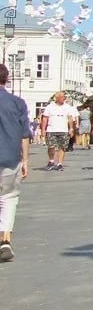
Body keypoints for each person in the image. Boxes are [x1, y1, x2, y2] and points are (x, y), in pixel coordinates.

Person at [0, 65, 31, 263]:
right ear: (7, 79)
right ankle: (5, 239)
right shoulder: (18, 103)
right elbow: (24, 134)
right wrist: (26, 160)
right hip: (9, 158)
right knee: (8, 198)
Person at [41, 91, 78, 172]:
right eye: (62, 97)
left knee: (62, 147)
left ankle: (60, 163)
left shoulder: (67, 107)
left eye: (64, 97)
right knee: (51, 146)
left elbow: (70, 118)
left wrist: (71, 128)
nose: (64, 98)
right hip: (51, 130)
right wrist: (43, 129)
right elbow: (45, 118)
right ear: (56, 98)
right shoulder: (50, 107)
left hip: (63, 130)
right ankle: (51, 161)